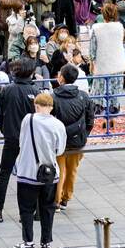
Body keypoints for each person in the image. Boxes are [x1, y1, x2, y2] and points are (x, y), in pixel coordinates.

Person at [13, 90, 67, 248]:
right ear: (51, 107)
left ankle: (28, 242)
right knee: (48, 208)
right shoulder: (58, 125)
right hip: (50, 174)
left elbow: (21, 142)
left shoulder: (27, 120)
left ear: (36, 106)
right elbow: (60, 151)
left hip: (27, 172)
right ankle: (46, 242)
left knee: (26, 209)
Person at [0, 57, 39, 223]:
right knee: (32, 175)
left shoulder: (6, 90)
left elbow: (0, 115)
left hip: (11, 136)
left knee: (4, 174)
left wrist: (5, 131)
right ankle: (32, 212)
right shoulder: (35, 91)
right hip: (31, 139)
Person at [51, 63, 94, 209]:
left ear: (61, 77)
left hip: (59, 141)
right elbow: (90, 120)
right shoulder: (84, 96)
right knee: (72, 170)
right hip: (78, 140)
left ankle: (56, 200)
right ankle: (66, 198)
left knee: (59, 170)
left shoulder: (53, 96)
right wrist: (83, 134)